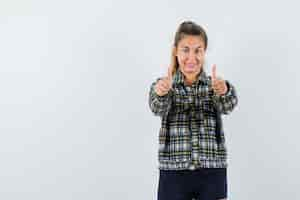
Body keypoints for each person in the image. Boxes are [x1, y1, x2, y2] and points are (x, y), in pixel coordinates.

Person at [148, 21, 238, 200]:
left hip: (212, 170)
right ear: (176, 51)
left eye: (198, 50)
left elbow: (229, 104)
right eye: (185, 49)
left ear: (204, 52)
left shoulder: (214, 85)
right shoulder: (165, 85)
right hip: (173, 171)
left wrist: (224, 90)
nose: (192, 57)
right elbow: (157, 106)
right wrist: (160, 92)